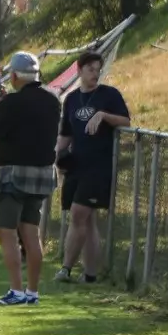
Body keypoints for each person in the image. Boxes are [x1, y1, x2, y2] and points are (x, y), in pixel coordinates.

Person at [0, 51, 61, 306]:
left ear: (14, 76)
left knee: (7, 232)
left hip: (14, 175)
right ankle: (32, 292)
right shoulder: (52, 100)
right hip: (41, 175)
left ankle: (16, 290)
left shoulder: (11, 103)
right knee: (30, 232)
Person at [57, 51, 130, 286]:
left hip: (99, 166)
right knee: (86, 221)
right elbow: (66, 134)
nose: (95, 74)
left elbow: (126, 121)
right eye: (90, 69)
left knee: (79, 214)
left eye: (98, 69)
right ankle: (90, 275)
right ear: (79, 71)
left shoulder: (109, 95)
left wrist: (103, 115)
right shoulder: (71, 100)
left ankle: (65, 269)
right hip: (76, 166)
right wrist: (56, 155)